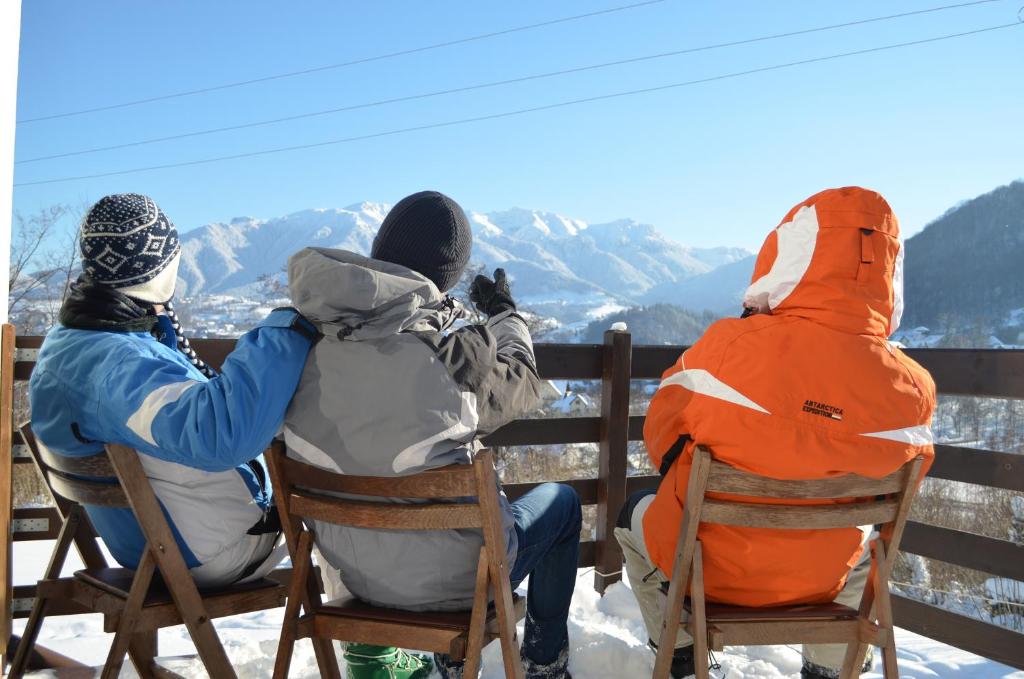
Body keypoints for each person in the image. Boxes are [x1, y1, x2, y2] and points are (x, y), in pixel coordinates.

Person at [615, 187, 936, 678]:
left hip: (711, 573)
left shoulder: (725, 350)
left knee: (631, 511)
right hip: (822, 580)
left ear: (790, 257)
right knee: (864, 541)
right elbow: (905, 477)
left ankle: (681, 657)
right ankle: (831, 670)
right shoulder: (912, 390)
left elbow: (661, 440)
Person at [283, 190, 581, 679]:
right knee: (563, 502)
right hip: (462, 583)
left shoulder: (302, 342)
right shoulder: (453, 354)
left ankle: (450, 660)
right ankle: (544, 662)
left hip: (356, 576)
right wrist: (504, 314)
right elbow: (521, 380)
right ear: (447, 276)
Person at [30, 193, 319, 587]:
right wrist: (285, 331)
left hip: (149, 545)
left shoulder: (73, 341)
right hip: (215, 550)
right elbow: (221, 436)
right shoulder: (115, 365)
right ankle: (373, 632)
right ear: (161, 265)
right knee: (346, 498)